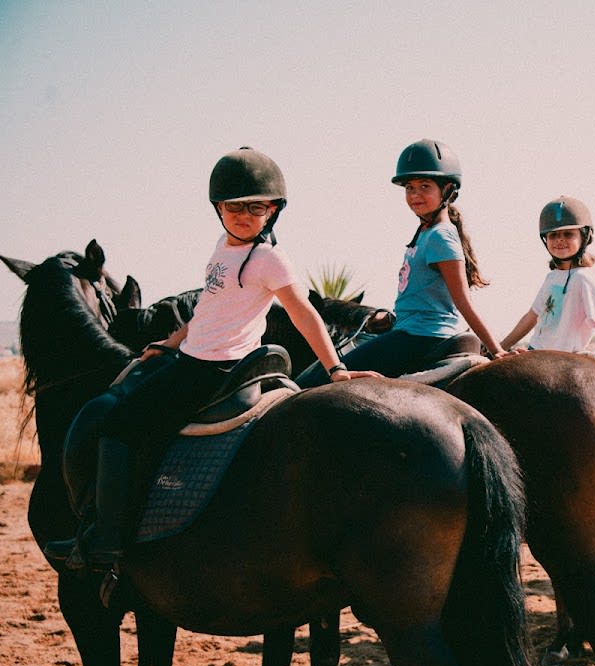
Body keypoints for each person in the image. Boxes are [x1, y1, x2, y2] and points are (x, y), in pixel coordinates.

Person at [44, 147, 378, 573]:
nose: (244, 216)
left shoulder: (268, 259)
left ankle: (105, 542)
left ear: (273, 210)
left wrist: (336, 369)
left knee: (118, 426)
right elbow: (210, 306)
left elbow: (302, 312)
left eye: (256, 207)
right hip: (190, 356)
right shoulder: (223, 247)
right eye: (234, 207)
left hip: (215, 369)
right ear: (218, 208)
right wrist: (171, 341)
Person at [316, 138, 509, 381]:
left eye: (425, 186)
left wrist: (496, 350)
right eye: (409, 188)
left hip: (421, 338)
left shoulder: (440, 236)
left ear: (447, 190)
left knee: (319, 378)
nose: (415, 195)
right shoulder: (426, 234)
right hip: (410, 331)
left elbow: (462, 301)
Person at [498, 196, 595, 363]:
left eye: (568, 234)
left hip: (565, 359)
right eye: (553, 235)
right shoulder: (551, 277)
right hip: (536, 351)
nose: (560, 239)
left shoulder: (584, 279)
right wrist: (499, 347)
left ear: (584, 237)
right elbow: (531, 317)